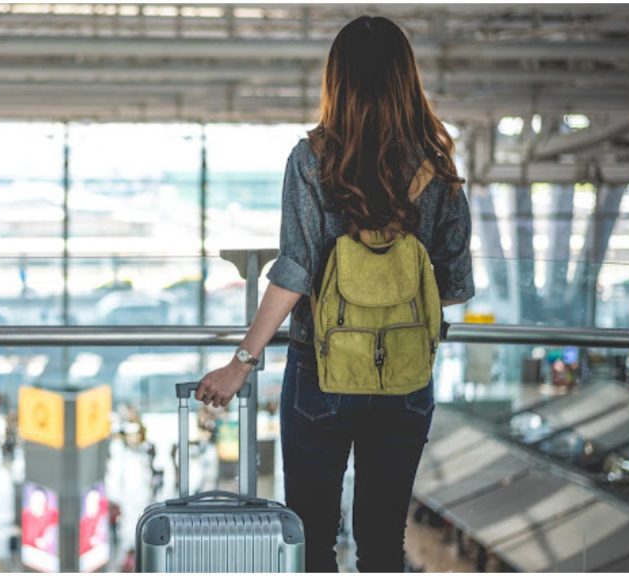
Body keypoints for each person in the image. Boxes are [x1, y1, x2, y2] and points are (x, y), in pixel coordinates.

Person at [195, 15, 473, 573]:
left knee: (312, 541)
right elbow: (453, 286)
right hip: (405, 379)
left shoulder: (313, 160)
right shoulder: (437, 169)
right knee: (381, 545)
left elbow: (293, 273)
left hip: (321, 374)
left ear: (337, 80)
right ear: (406, 79)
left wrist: (240, 364)